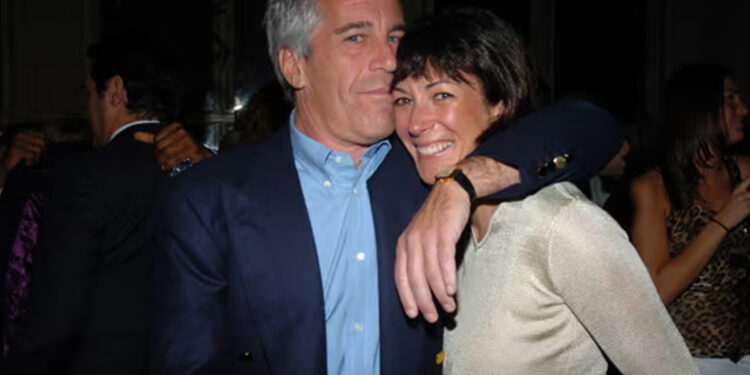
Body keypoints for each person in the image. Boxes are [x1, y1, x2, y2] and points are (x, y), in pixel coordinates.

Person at [150, 0, 621, 374]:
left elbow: (593, 127)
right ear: (294, 66)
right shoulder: (209, 200)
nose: (390, 60)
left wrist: (461, 183)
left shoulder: (433, 163)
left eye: (396, 36)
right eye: (356, 37)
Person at [389, 9, 698, 374]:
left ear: (499, 103)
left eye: (441, 95)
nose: (416, 123)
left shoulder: (560, 224)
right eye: (403, 100)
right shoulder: (449, 226)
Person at [3, 37, 183, 375]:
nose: (88, 109)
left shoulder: (84, 176)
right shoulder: (201, 169)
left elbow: (55, 320)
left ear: (114, 91)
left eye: (89, 94)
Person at [630, 64, 750, 373]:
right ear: (700, 110)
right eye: (731, 101)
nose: (744, 109)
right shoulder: (655, 188)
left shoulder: (744, 172)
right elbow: (656, 291)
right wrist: (723, 221)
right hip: (687, 360)